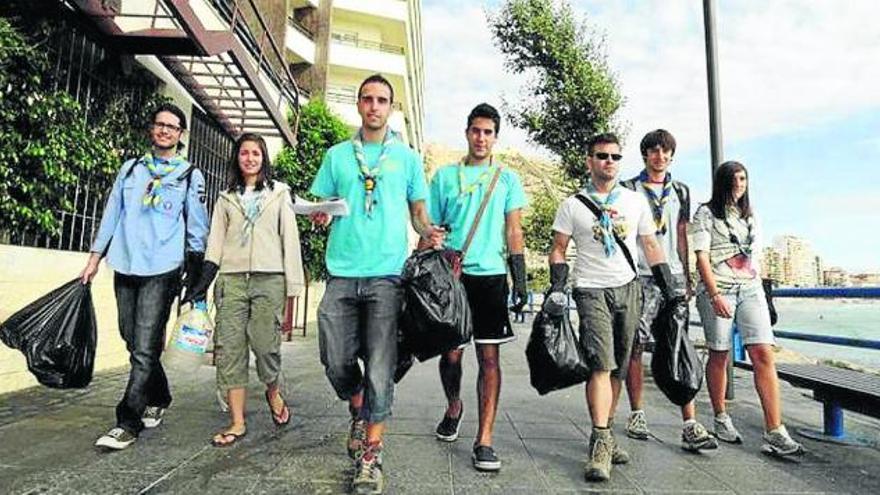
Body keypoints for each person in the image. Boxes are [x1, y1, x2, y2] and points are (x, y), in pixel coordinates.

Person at [309, 73, 444, 494]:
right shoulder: (336, 156)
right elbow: (323, 205)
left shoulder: (405, 158)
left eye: (382, 100)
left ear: (391, 107)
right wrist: (321, 215)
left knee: (382, 366)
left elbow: (418, 212)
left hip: (387, 274)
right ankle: (358, 406)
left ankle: (371, 452)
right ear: (358, 105)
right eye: (367, 99)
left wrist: (429, 230)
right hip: (342, 271)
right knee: (335, 358)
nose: (374, 106)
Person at [548, 133, 678, 482]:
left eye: (615, 157)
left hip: (629, 288)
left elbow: (649, 243)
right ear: (589, 160)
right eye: (601, 156)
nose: (609, 161)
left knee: (619, 367)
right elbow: (559, 247)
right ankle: (602, 439)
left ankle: (601, 431)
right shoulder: (572, 204)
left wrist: (669, 284)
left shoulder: (635, 202)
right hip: (590, 290)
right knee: (600, 365)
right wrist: (558, 285)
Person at [82, 103, 209, 450]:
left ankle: (128, 420)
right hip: (125, 262)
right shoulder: (132, 169)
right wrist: (95, 259)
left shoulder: (188, 174)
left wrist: (195, 276)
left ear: (181, 134)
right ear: (152, 129)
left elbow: (197, 227)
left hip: (163, 267)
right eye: (160, 125)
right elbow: (111, 213)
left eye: (172, 126)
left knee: (142, 347)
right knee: (131, 337)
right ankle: (160, 394)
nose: (165, 131)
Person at [424, 103, 528, 472]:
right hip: (451, 275)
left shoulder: (507, 179)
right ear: (466, 132)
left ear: (495, 138)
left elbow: (514, 229)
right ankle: (454, 405)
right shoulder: (444, 177)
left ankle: (484, 438)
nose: (481, 138)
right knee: (451, 354)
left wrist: (520, 276)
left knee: (489, 357)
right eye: (475, 131)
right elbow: (431, 227)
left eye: (488, 132)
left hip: (491, 276)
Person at [184, 133, 305, 447]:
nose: (250, 158)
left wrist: (293, 285)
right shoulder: (225, 197)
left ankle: (272, 390)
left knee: (266, 346)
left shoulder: (280, 194)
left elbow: (289, 240)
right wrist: (201, 284)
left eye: (256, 153)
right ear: (236, 158)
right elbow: (214, 245)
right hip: (232, 279)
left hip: (269, 278)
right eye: (244, 153)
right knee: (230, 350)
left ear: (264, 158)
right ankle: (237, 421)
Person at [692, 160, 803, 457]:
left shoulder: (751, 216)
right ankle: (720, 416)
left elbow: (755, 258)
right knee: (720, 353)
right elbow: (701, 256)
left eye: (743, 178)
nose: (739, 184)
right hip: (720, 288)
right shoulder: (705, 213)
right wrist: (714, 294)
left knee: (763, 352)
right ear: (722, 182)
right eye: (734, 179)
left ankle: (775, 430)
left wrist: (763, 295)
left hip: (750, 288)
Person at [620, 129, 717, 452]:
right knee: (634, 343)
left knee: (678, 343)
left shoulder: (682, 191)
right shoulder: (629, 190)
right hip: (640, 276)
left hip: (672, 275)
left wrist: (687, 277)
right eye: (653, 151)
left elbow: (681, 235)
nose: (659, 156)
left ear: (672, 156)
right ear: (645, 155)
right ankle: (637, 413)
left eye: (665, 151)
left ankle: (689, 421)